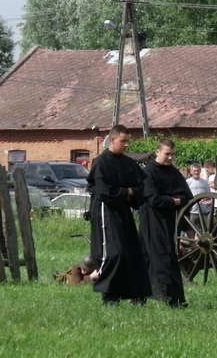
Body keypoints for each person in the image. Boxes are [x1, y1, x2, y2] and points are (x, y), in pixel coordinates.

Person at [87, 124, 150, 305]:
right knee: (114, 253)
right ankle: (110, 295)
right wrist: (125, 192)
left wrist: (131, 193)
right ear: (112, 140)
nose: (126, 145)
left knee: (132, 252)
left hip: (123, 211)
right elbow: (103, 190)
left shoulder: (128, 163)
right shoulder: (101, 162)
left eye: (127, 141)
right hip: (105, 210)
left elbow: (140, 186)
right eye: (123, 141)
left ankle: (137, 295)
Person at [140, 139, 193, 307]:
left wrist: (174, 200)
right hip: (152, 221)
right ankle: (157, 295)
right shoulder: (148, 172)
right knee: (155, 257)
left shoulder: (173, 172)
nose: (170, 158)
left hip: (169, 221)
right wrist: (173, 201)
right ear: (158, 152)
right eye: (167, 154)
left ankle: (175, 298)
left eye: (172, 154)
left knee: (169, 256)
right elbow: (153, 199)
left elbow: (187, 196)